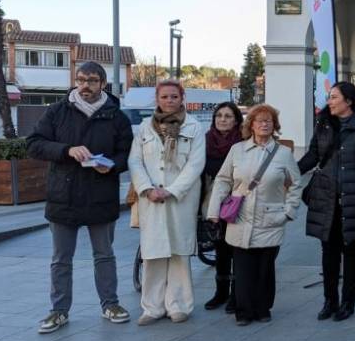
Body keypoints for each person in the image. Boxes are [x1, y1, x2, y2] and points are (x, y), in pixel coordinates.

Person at [27, 62, 133, 333]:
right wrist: (66, 150)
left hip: (101, 195)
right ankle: (58, 311)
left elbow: (126, 154)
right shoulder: (57, 111)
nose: (86, 85)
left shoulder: (116, 116)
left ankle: (110, 304)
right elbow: (34, 144)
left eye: (92, 80)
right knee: (61, 259)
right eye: (81, 79)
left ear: (103, 84)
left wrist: (112, 165)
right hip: (64, 196)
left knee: (104, 255)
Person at [207, 104, 302, 326]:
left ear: (274, 125)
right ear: (251, 125)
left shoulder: (283, 153)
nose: (264, 124)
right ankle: (243, 310)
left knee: (264, 268)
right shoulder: (237, 150)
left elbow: (296, 184)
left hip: (270, 217)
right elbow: (223, 180)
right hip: (240, 217)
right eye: (259, 120)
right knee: (242, 267)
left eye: (268, 120)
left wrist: (288, 212)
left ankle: (262, 307)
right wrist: (214, 211)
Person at [299, 81, 355, 322]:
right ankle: (329, 300)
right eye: (329, 97)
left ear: (349, 101)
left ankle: (348, 302)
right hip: (325, 196)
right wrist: (289, 171)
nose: (329, 101)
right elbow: (313, 155)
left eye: (334, 97)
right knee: (328, 250)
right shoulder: (323, 124)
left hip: (352, 197)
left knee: (351, 250)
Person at [128, 80, 207, 325]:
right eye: (165, 96)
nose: (169, 101)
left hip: (179, 199)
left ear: (182, 98)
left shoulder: (193, 128)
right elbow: (135, 161)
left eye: (174, 96)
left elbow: (196, 165)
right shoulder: (144, 128)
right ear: (157, 98)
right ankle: (152, 307)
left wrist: (171, 191)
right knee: (153, 254)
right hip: (150, 199)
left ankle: (179, 305)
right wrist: (146, 188)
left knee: (179, 253)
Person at [202, 102, 243, 313]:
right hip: (214, 201)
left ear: (236, 120)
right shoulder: (206, 141)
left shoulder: (243, 142)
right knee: (221, 248)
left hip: (239, 202)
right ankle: (220, 292)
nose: (222, 119)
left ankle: (237, 293)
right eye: (219, 115)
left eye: (228, 116)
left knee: (237, 249)